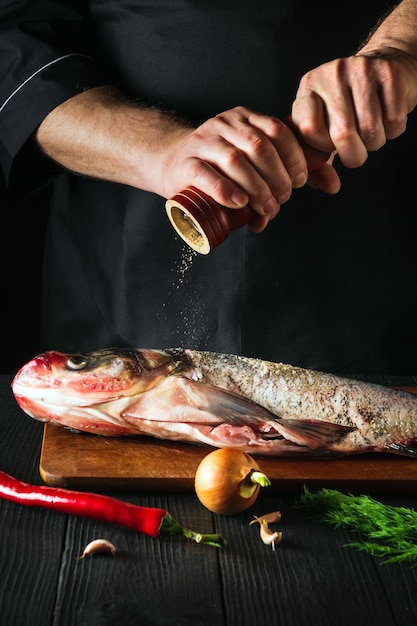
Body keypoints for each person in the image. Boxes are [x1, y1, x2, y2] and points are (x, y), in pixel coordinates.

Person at [1, 0, 417, 374]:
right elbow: (15, 40)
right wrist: (162, 151)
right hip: (122, 263)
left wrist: (401, 47)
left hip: (372, 261)